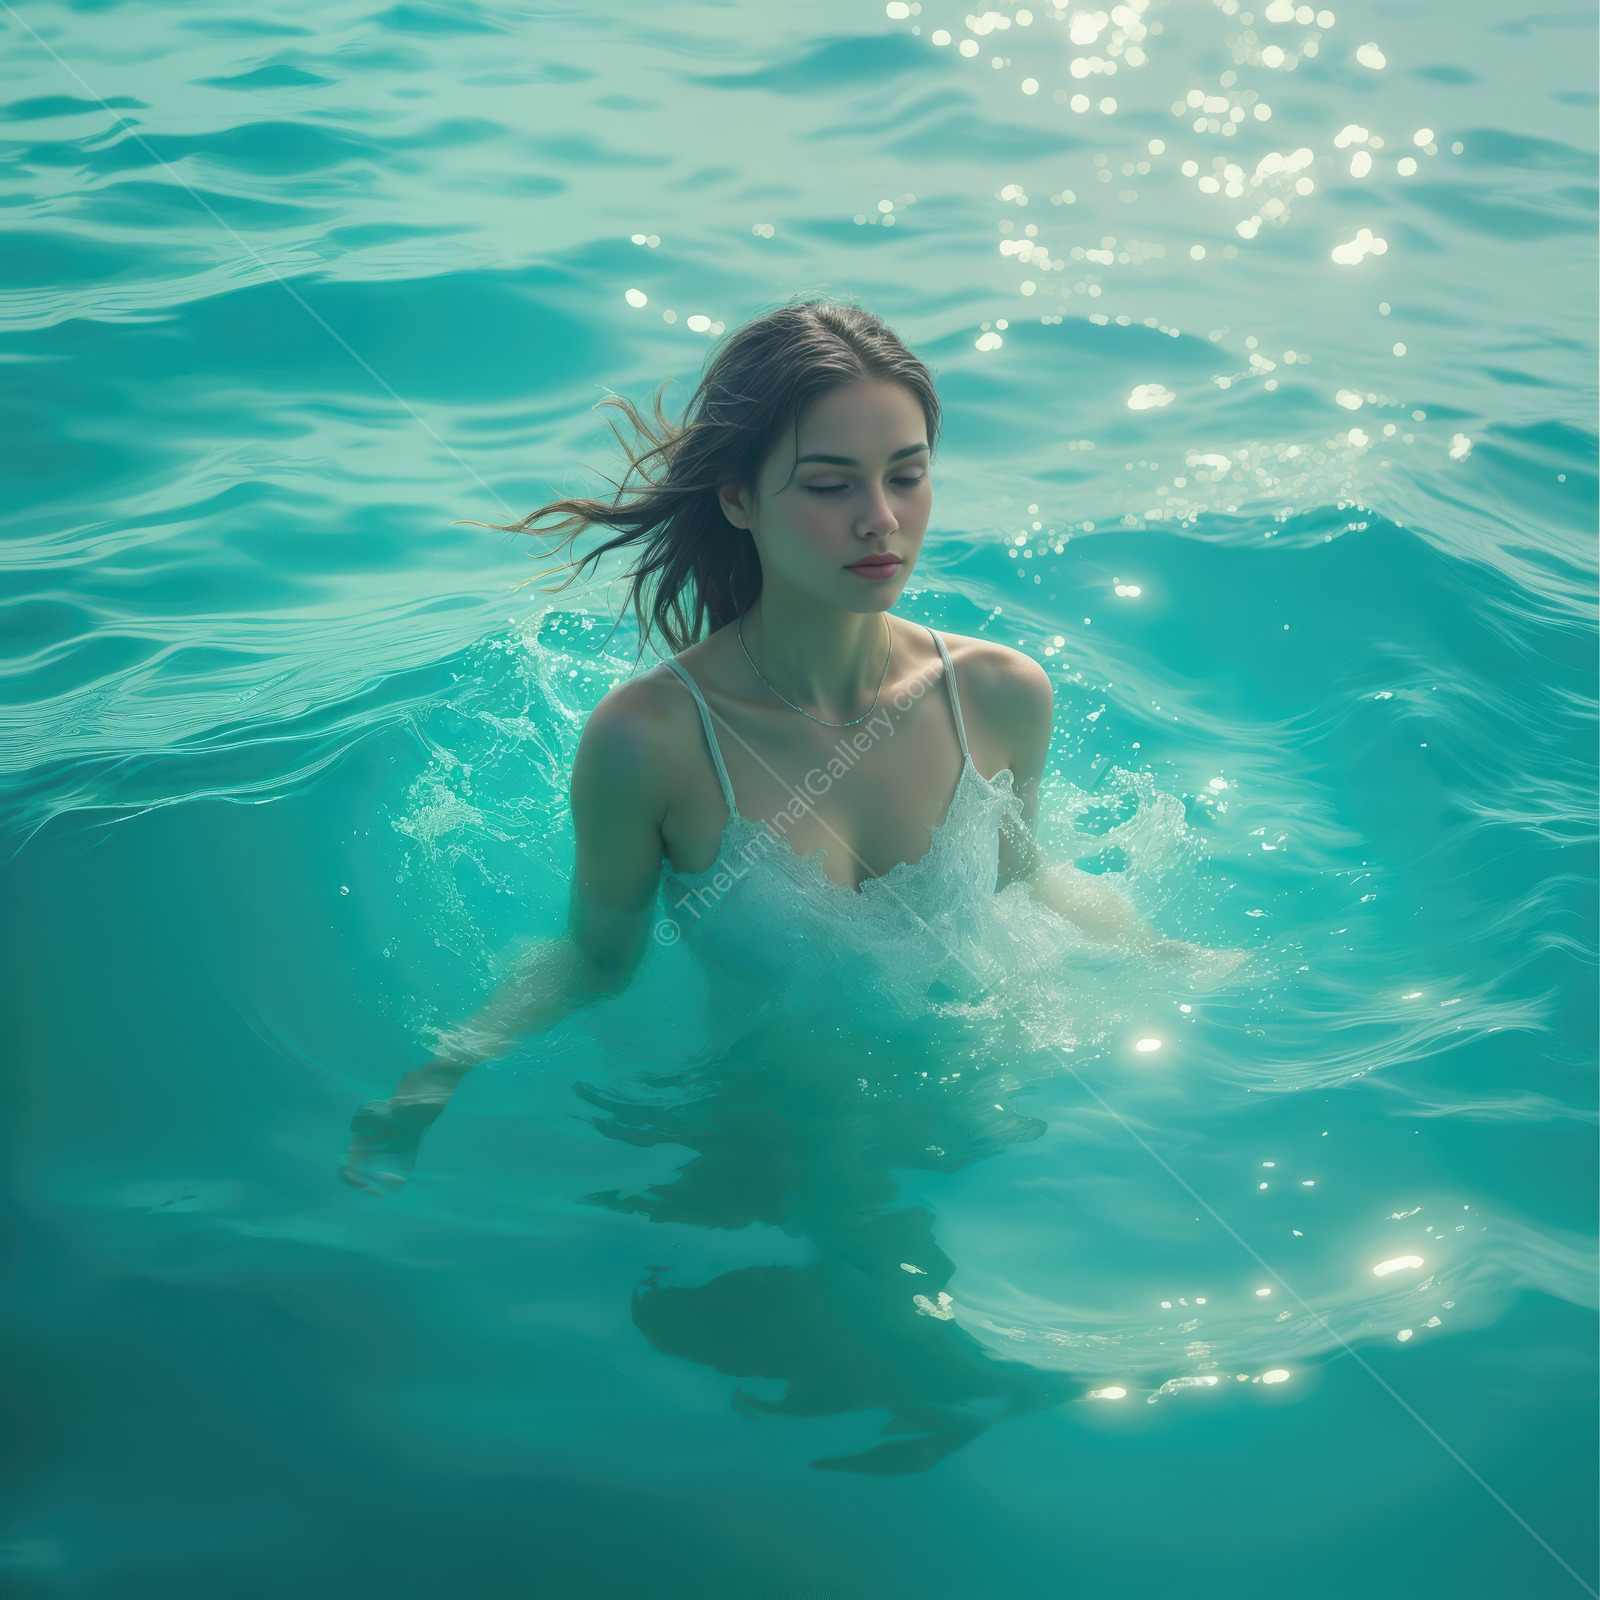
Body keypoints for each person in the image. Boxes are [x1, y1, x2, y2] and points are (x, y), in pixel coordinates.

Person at [341, 299, 1223, 1196]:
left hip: (981, 1121)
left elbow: (1026, 881)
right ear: (737, 498)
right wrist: (441, 1074)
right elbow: (596, 961)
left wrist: (1176, 967)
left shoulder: (998, 695)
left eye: (906, 476)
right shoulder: (650, 740)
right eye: (831, 485)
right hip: (761, 1137)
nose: (879, 518)